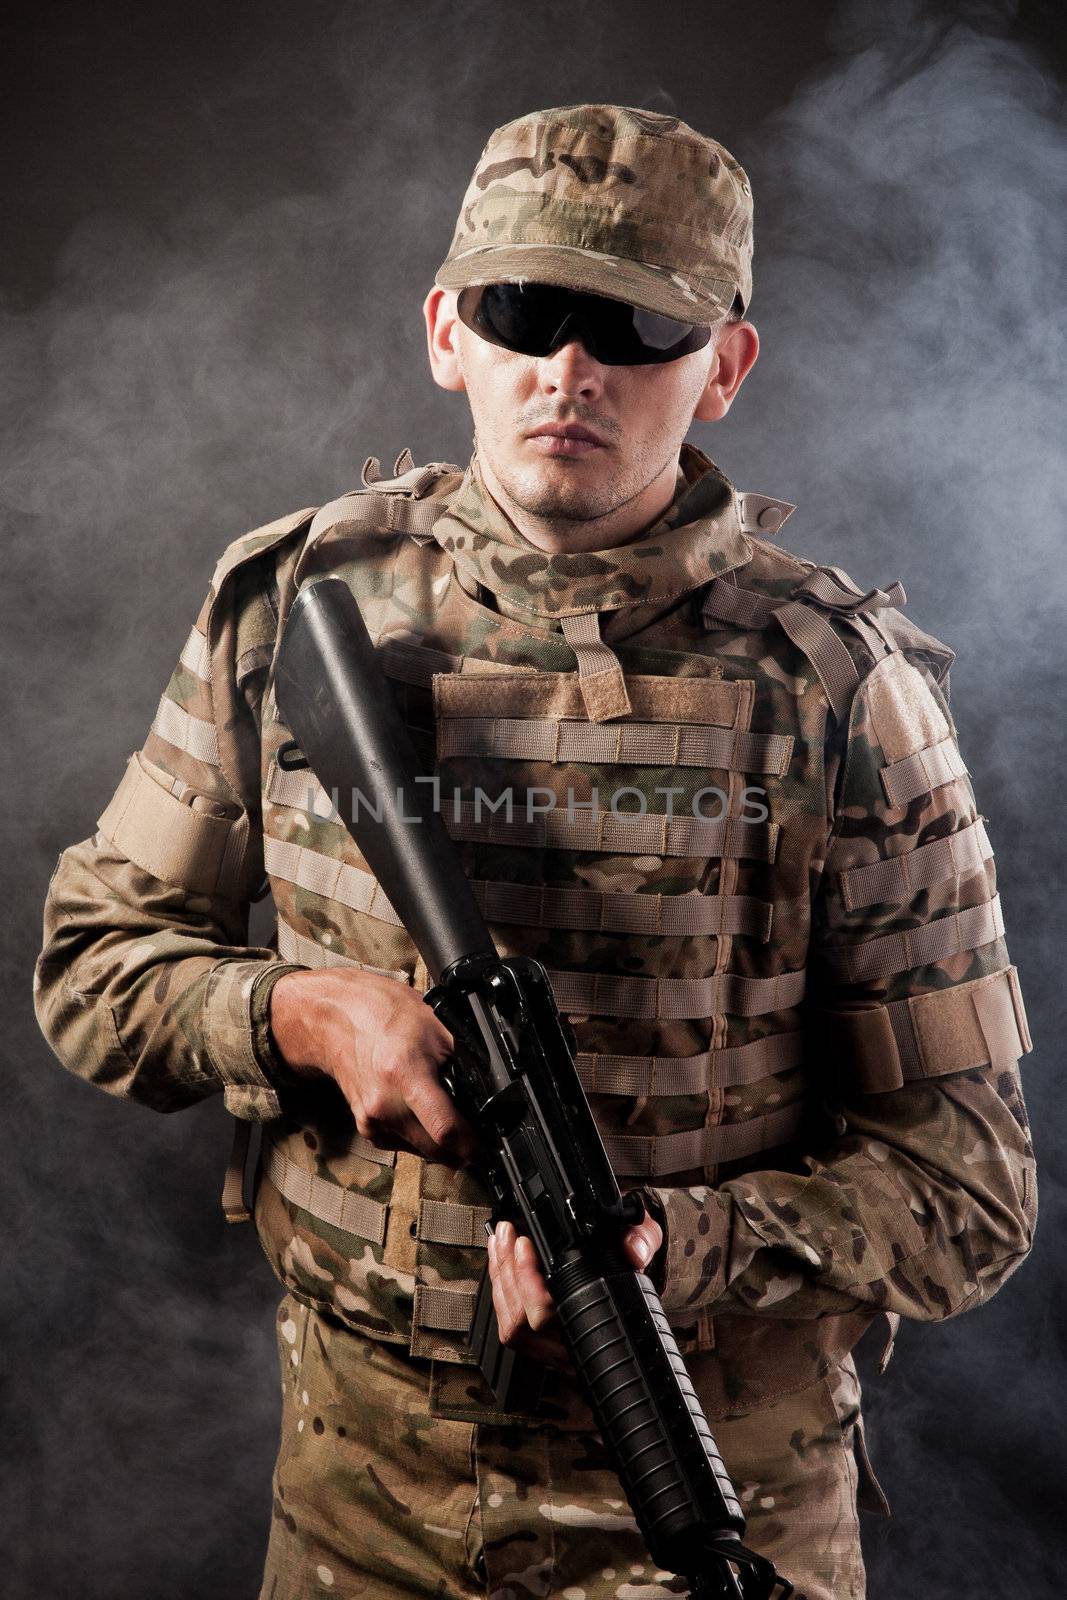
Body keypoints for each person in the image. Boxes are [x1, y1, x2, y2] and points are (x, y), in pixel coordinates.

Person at [34, 103, 1037, 1600]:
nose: (571, 368)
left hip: (713, 1507)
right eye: (525, 310)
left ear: (726, 369)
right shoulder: (290, 611)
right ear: (448, 330)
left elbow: (971, 1193)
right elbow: (90, 969)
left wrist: (676, 1246)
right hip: (356, 1505)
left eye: (636, 325)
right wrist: (296, 1014)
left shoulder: (840, 692)